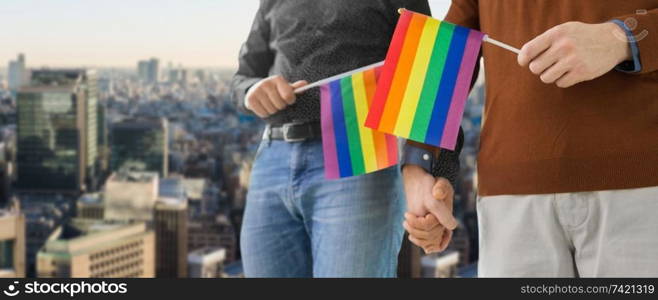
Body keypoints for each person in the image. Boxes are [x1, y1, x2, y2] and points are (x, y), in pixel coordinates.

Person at [403, 0, 658, 277]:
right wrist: (418, 166)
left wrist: (620, 38)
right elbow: (447, 43)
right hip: (510, 200)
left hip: (640, 187)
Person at [231, 0, 443, 277]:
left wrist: (418, 167)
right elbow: (243, 78)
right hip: (272, 157)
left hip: (357, 154)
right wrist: (252, 91)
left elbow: (429, 69)